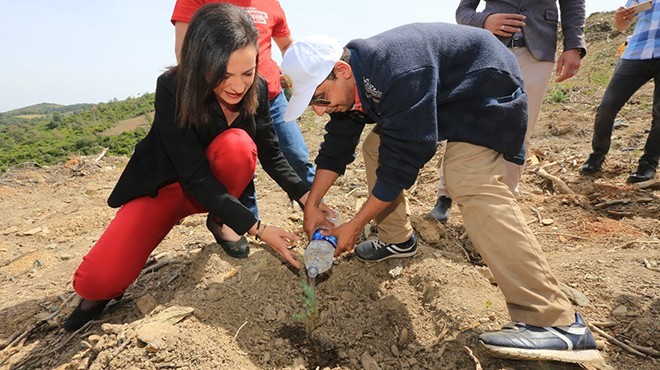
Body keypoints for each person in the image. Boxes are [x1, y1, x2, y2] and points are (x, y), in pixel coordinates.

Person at [280, 25, 601, 363]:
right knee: (376, 146)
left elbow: (403, 162)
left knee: (468, 179)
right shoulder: (354, 83)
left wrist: (356, 224)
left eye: (319, 98)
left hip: (485, 90)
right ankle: (397, 240)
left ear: (341, 71)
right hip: (446, 92)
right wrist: (311, 204)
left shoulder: (398, 71)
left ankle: (555, 322)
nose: (318, 110)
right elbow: (336, 147)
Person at [63, 3, 310, 332]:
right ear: (201, 62)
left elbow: (271, 153)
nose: (238, 85)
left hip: (220, 184)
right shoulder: (172, 87)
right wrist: (261, 229)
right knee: (95, 283)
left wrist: (309, 199)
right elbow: (193, 176)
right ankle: (104, 287)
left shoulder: (258, 89)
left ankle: (222, 220)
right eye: (223, 74)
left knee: (238, 145)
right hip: (169, 187)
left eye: (247, 72)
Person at [172, 0, 317, 242]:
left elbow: (287, 46)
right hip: (225, 98)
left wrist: (301, 74)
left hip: (270, 94)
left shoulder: (271, 3)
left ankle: (316, 209)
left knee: (296, 155)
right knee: (241, 163)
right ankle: (241, 224)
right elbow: (185, 54)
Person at [429, 0, 587, 222]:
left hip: (538, 53)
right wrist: (483, 20)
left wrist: (574, 46)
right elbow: (463, 11)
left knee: (520, 131)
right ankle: (445, 195)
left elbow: (573, 4)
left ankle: (505, 200)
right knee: (466, 123)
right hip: (486, 49)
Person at [581, 1, 659, 182]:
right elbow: (622, 25)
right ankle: (598, 153)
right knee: (607, 106)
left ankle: (648, 163)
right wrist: (621, 19)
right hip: (636, 52)